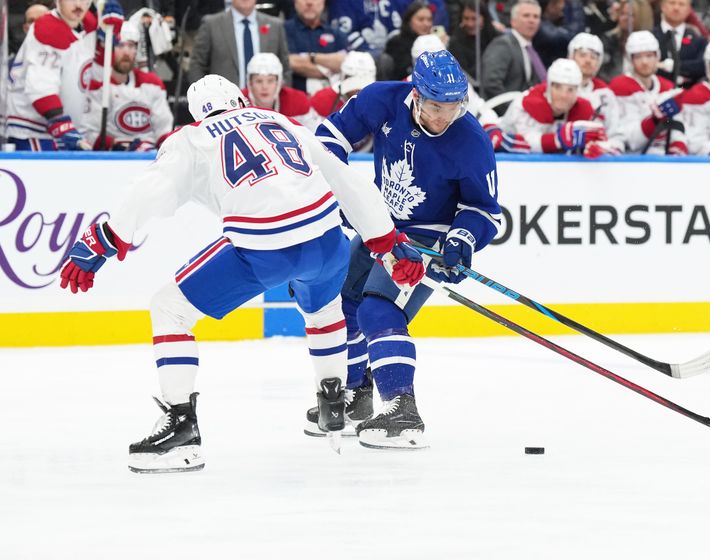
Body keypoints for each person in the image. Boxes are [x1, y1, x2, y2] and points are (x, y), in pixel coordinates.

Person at [58, 74, 425, 472]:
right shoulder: (278, 120)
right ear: (239, 98)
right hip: (327, 238)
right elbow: (345, 178)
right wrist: (386, 241)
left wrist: (109, 236)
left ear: (196, 112)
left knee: (169, 309)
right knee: (322, 312)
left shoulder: (191, 136)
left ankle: (181, 428)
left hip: (266, 247)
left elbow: (153, 190)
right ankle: (333, 400)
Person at [313, 51, 501, 449]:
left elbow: (485, 210)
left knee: (378, 309)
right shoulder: (381, 99)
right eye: (435, 106)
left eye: (453, 107)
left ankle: (403, 409)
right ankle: (355, 397)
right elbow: (327, 142)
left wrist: (461, 240)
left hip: (427, 239)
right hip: (380, 225)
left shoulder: (471, 141)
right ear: (415, 94)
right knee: (341, 301)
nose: (443, 117)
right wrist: (345, 196)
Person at [5, 0, 123, 151]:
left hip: (66, 128)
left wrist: (106, 42)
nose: (79, 5)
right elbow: (41, 89)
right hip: (33, 131)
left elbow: (95, 77)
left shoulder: (89, 24)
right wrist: (62, 126)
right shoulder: (47, 27)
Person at [82, 21, 174, 151]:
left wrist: (169, 148)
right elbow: (90, 133)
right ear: (109, 48)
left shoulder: (152, 84)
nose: (126, 52)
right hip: (112, 160)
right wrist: (116, 147)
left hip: (148, 158)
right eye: (120, 45)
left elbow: (164, 130)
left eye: (131, 46)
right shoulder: (98, 84)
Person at [499, 58, 607, 154]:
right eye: (558, 87)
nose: (564, 95)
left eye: (570, 89)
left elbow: (602, 138)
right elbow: (526, 143)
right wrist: (557, 140)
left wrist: (596, 148)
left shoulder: (584, 109)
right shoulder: (527, 104)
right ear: (549, 87)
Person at [609, 30, 688, 154]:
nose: (644, 62)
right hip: (633, 160)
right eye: (638, 56)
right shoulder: (620, 86)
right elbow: (629, 139)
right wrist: (654, 121)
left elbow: (677, 124)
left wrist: (677, 144)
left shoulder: (667, 86)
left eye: (649, 55)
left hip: (664, 156)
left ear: (657, 56)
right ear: (631, 59)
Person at [188, 0, 290, 89]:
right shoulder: (212, 24)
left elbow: (285, 69)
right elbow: (196, 65)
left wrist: (280, 96)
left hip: (266, 106)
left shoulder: (275, 26)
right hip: (224, 104)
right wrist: (205, 95)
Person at [481, 0, 546, 113]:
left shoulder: (530, 49)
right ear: (513, 21)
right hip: (501, 115)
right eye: (526, 15)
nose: (532, 20)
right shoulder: (503, 44)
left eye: (536, 17)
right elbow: (491, 84)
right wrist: (513, 111)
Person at [568, 32, 625, 154]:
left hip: (598, 163)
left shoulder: (605, 94)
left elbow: (617, 135)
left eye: (593, 57)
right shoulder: (557, 89)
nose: (588, 61)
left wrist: (603, 148)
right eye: (582, 55)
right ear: (571, 57)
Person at [285, 0, 348, 94]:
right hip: (295, 98)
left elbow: (344, 63)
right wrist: (330, 69)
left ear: (323, 2)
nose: (309, 2)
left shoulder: (337, 34)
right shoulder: (283, 30)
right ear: (295, 2)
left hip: (331, 99)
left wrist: (312, 57)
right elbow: (291, 62)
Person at [243, 53, 317, 129]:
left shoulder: (297, 101)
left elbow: (312, 134)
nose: (264, 87)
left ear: (279, 82)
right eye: (259, 81)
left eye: (270, 81)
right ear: (250, 83)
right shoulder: (237, 101)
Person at [309, 50, 377, 122]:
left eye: (362, 88)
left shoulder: (380, 102)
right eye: (354, 87)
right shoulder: (322, 100)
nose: (357, 91)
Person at [654, 0, 709, 87]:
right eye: (672, 3)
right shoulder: (650, 36)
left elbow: (701, 67)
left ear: (689, 10)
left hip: (689, 93)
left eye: (681, 4)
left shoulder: (699, 40)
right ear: (662, 6)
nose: (676, 8)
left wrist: (670, 66)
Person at [448, 0, 501, 81]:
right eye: (466, 18)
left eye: (474, 18)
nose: (470, 24)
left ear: (484, 18)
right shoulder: (456, 41)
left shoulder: (495, 37)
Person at [381, 1, 435, 81]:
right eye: (421, 19)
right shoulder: (396, 43)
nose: (426, 24)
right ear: (409, 21)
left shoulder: (434, 42)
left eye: (429, 20)